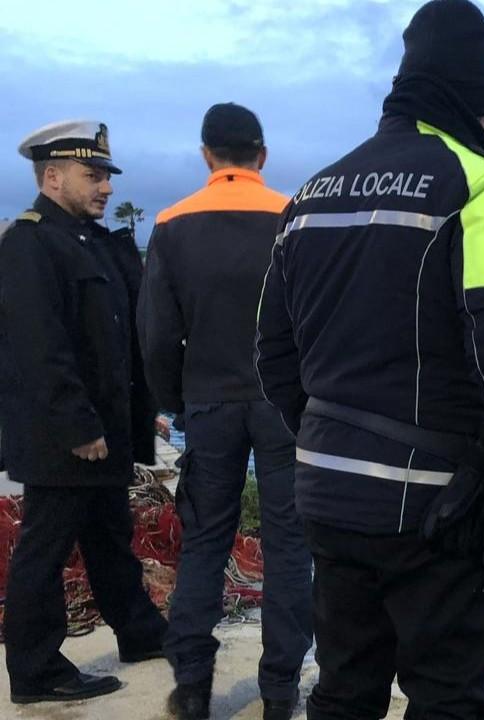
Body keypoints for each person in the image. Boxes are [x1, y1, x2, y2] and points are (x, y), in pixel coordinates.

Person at [255, 1, 484, 717]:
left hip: (328, 495)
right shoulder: (482, 186)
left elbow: (272, 353)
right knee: (447, 694)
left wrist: (330, 436)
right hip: (437, 508)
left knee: (344, 686)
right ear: (475, 102)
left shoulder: (309, 196)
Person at [137, 103, 313, 720]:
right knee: (291, 545)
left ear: (207, 155)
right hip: (284, 405)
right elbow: (316, 323)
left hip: (208, 401)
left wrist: (175, 402)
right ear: (261, 156)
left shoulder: (170, 223)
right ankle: (281, 690)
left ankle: (191, 686)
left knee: (206, 539)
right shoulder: (294, 218)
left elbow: (157, 336)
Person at [0, 120, 168, 704]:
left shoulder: (89, 241)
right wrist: (76, 424)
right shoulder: (29, 243)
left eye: (105, 176)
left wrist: (142, 411)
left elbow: (113, 340)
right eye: (91, 175)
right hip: (62, 432)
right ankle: (35, 669)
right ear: (52, 176)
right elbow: (38, 346)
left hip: (101, 427)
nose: (103, 187)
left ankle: (141, 632)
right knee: (44, 549)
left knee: (108, 533)